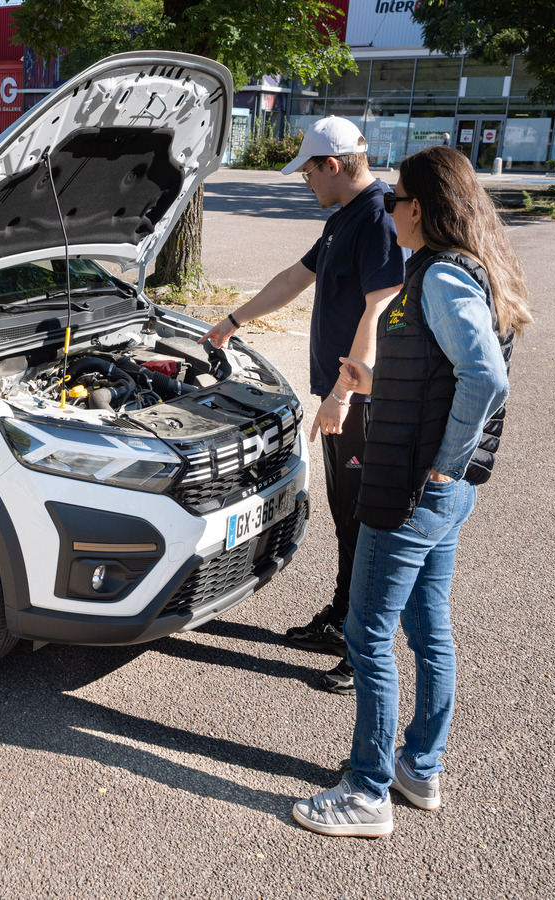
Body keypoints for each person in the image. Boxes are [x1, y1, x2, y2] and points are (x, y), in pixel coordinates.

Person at [292, 145, 530, 837]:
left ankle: (367, 792)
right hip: (434, 494)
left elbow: (484, 378)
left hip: (411, 490)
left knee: (367, 632)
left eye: (397, 200)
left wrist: (446, 463)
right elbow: (440, 370)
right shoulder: (453, 269)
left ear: (419, 208)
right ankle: (419, 768)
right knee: (427, 626)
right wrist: (375, 381)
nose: (390, 209)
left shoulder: (442, 276)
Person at [200, 117, 404, 694]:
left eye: (308, 172)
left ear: (332, 165)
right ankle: (341, 620)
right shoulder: (344, 217)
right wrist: (234, 320)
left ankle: (363, 652)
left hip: (362, 403)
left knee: (367, 525)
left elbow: (380, 308)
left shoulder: (378, 219)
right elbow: (296, 277)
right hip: (343, 400)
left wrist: (343, 394)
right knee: (347, 518)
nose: (305, 182)